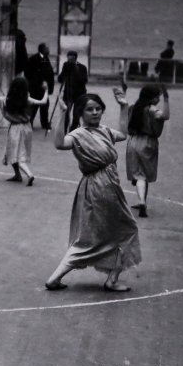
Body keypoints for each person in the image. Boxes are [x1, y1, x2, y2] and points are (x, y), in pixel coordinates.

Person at [44, 92, 141, 292]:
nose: (95, 112)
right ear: (81, 112)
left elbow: (123, 134)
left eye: (98, 108)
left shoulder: (104, 131)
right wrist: (62, 113)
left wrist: (123, 106)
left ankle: (56, 278)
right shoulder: (78, 134)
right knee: (124, 230)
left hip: (106, 186)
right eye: (90, 109)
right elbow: (59, 144)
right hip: (100, 187)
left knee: (98, 234)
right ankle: (111, 280)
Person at [117, 76, 170, 218]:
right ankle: (142, 201)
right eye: (157, 97)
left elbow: (124, 107)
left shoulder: (135, 108)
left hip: (133, 142)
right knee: (143, 174)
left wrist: (124, 91)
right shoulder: (153, 110)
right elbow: (166, 116)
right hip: (148, 142)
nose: (158, 99)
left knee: (138, 173)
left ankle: (142, 200)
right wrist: (166, 98)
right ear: (150, 98)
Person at [0, 76, 48, 185]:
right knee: (16, 152)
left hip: (15, 128)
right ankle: (17, 175)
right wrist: (46, 90)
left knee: (16, 153)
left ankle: (29, 174)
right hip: (27, 127)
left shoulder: (6, 100)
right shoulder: (28, 100)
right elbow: (43, 102)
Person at [24, 43, 56, 129]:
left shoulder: (46, 59)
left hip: (44, 88)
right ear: (42, 49)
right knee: (33, 105)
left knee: (45, 106)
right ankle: (29, 121)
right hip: (35, 88)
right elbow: (28, 72)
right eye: (47, 48)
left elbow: (49, 73)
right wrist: (36, 83)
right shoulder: (33, 59)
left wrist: (49, 86)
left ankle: (44, 123)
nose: (49, 50)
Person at [56, 50, 88, 133]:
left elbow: (84, 80)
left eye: (71, 59)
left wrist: (75, 71)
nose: (69, 61)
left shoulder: (82, 67)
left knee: (76, 115)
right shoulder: (66, 66)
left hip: (79, 94)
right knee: (66, 114)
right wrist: (65, 71)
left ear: (75, 58)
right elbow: (60, 79)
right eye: (68, 59)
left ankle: (72, 131)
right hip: (68, 93)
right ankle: (64, 131)